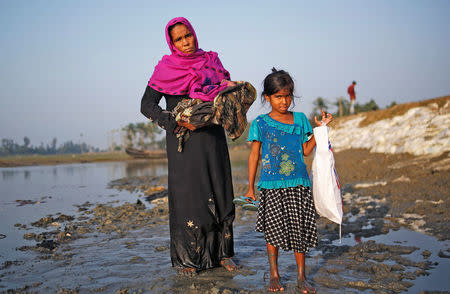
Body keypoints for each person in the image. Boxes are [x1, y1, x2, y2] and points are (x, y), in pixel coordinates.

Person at [140, 17, 237, 275]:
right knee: (189, 196)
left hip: (213, 138)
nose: (185, 42)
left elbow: (224, 94)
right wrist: (174, 121)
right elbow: (147, 105)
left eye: (188, 36)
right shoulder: (165, 69)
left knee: (220, 189)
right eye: (179, 39)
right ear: (172, 43)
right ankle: (188, 259)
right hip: (183, 140)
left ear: (194, 34)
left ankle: (224, 254)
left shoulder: (212, 61)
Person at [244, 69, 332, 293]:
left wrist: (320, 130)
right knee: (273, 231)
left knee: (299, 230)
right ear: (267, 98)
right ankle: (274, 274)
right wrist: (250, 187)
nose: (284, 101)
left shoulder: (300, 119)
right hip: (271, 186)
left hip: (299, 185)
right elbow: (254, 155)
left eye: (287, 96)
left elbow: (305, 150)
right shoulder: (261, 123)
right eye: (278, 96)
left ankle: (302, 276)